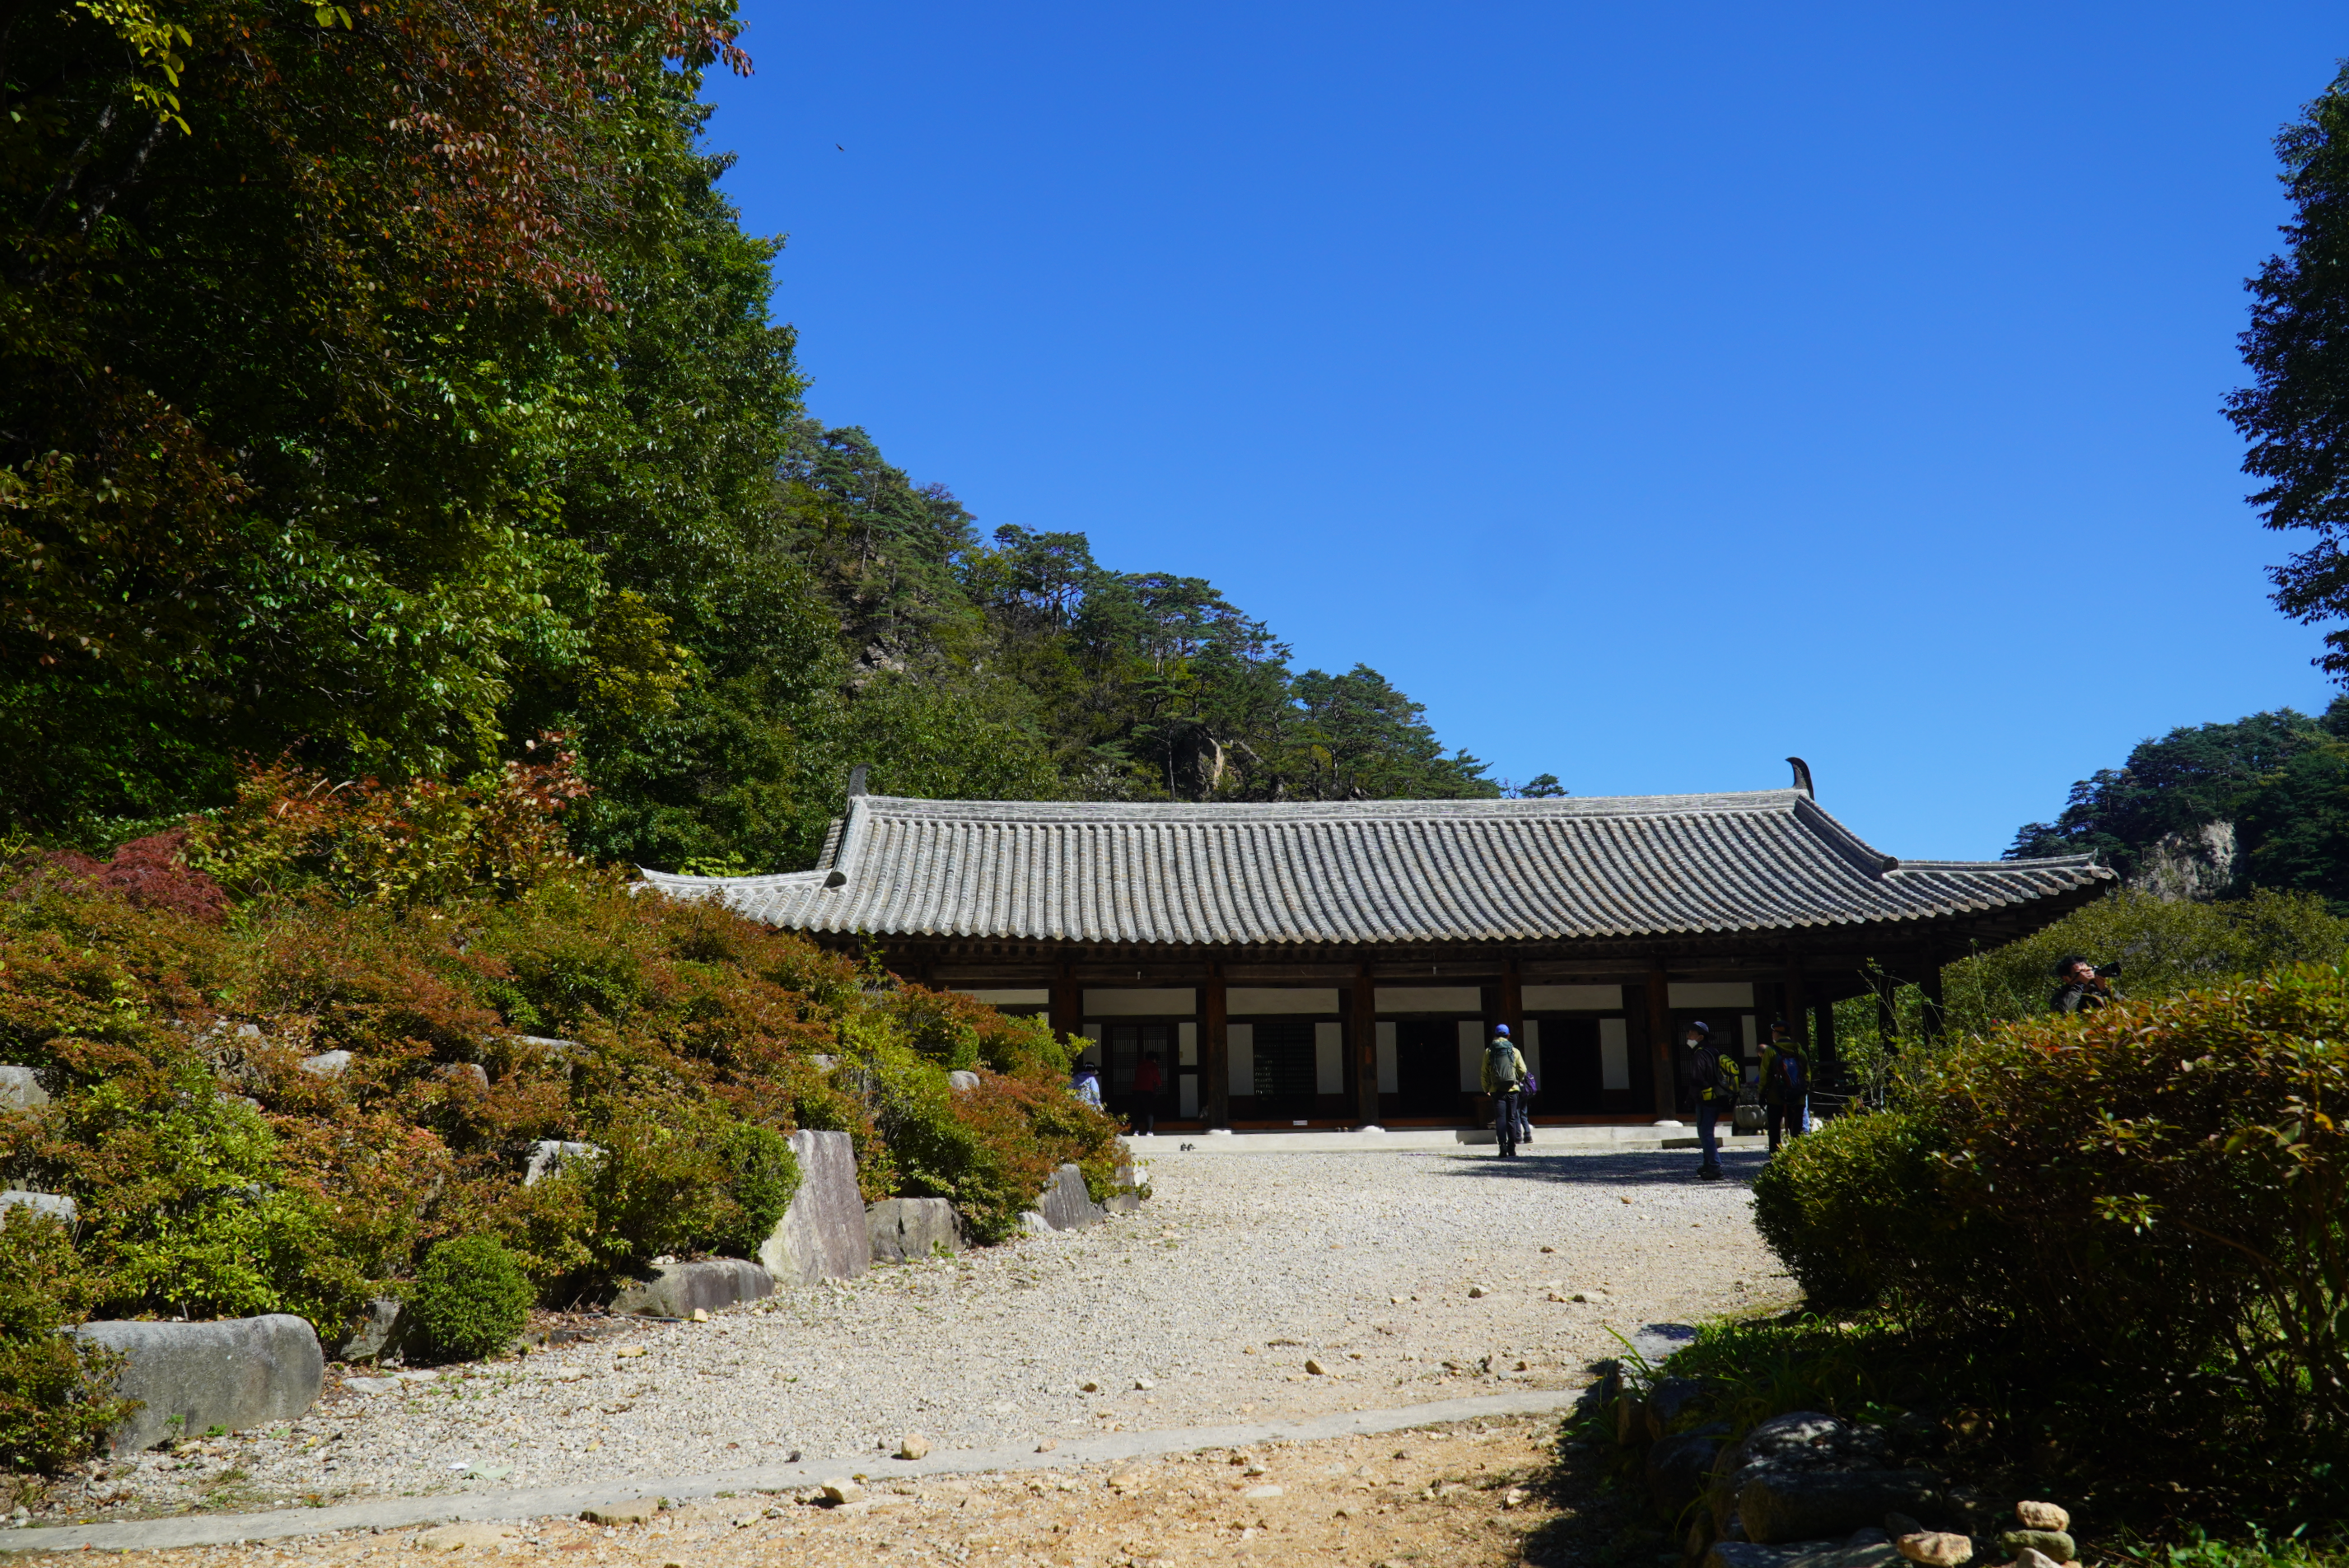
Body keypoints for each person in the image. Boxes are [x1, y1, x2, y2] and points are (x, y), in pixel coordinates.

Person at [1678, 1020, 1736, 1180]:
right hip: (1718, 1097)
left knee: (1705, 1133)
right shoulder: (1714, 1052)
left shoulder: (1700, 1053)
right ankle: (1707, 1164)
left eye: (1691, 1033)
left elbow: (1698, 1077)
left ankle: (1714, 1167)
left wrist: (1691, 1096)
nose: (1688, 1036)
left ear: (1700, 1037)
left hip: (1706, 1099)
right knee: (1707, 1132)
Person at [1758, 1020, 1809, 1155]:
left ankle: (1775, 1158)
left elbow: (1765, 1074)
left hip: (1776, 1096)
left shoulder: (1771, 1051)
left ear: (1777, 1033)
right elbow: (1807, 1073)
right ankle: (1797, 1158)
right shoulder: (1799, 1050)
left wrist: (1762, 1093)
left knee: (1774, 1129)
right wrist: (1802, 1090)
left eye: (1773, 1032)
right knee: (1796, 1130)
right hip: (1797, 1096)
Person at [1481, 1024, 1529, 1159]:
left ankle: (1502, 1147)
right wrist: (1517, 1081)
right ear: (1508, 1035)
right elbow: (1523, 1070)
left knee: (1500, 1118)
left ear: (1495, 1035)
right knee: (1512, 1118)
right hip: (1512, 1089)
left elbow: (1484, 1072)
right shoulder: (1514, 1051)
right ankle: (1512, 1148)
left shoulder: (1489, 1051)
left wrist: (1487, 1088)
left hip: (1496, 1089)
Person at [2050, 954, 2120, 1015]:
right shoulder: (2060, 998)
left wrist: (2106, 990)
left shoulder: (2099, 991)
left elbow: (2124, 1006)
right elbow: (2065, 1012)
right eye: (2081, 973)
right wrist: (2080, 985)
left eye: (2088, 970)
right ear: (2066, 979)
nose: (2087, 975)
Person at [1131, 1050, 1164, 1136]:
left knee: (1136, 1110)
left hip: (1136, 1090)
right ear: (1154, 1059)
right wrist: (1159, 1084)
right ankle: (1149, 1130)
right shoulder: (1153, 1066)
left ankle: (1135, 1130)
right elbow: (1157, 1078)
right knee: (1149, 1111)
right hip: (1148, 1090)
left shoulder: (1140, 1065)